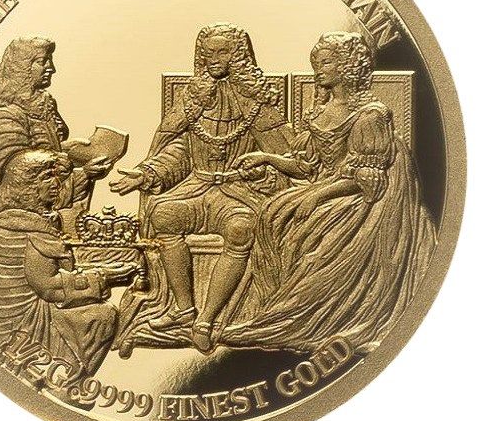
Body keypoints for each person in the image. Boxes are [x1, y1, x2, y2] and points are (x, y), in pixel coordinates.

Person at [228, 31, 436, 353]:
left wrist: (317, 196)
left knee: (304, 229)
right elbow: (306, 167)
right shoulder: (319, 112)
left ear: (347, 66)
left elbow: (369, 181)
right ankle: (274, 306)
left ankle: (300, 315)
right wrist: (267, 158)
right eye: (317, 63)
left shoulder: (370, 115)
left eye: (326, 62)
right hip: (326, 187)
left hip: (360, 200)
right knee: (272, 214)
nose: (318, 69)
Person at [110, 23, 293, 353]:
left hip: (240, 192)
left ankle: (206, 320)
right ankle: (183, 309)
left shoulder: (257, 104)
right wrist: (147, 172)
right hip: (198, 187)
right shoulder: (193, 101)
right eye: (208, 53)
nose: (214, 59)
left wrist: (261, 172)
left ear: (238, 56)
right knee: (163, 214)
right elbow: (178, 150)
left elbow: (285, 157)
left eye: (222, 52)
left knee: (241, 227)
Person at [0, 37, 111, 304]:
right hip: (15, 224)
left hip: (44, 212)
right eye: (41, 61)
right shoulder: (3, 116)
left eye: (49, 60)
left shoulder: (44, 105)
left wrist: (76, 154)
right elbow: (20, 177)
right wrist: (78, 171)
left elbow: (43, 153)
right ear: (22, 68)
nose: (51, 68)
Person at [0, 149, 133, 377]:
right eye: (47, 178)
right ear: (28, 186)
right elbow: (49, 288)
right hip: (18, 325)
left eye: (56, 177)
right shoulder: (32, 230)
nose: (56, 184)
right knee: (103, 316)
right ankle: (70, 380)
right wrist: (103, 278)